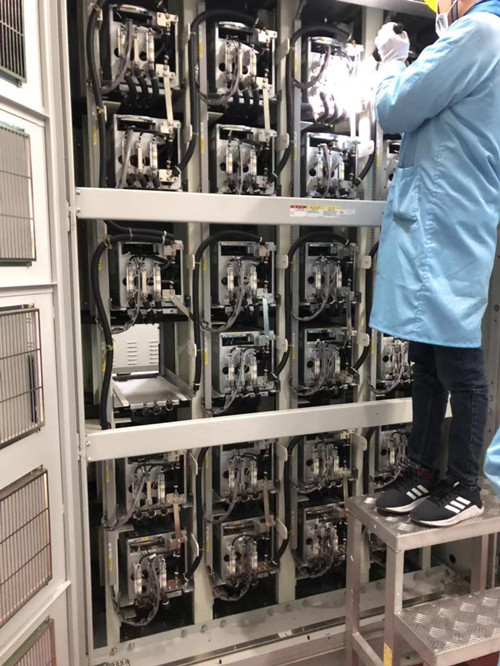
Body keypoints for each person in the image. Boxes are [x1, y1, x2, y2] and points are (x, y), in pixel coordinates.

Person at [371, 0, 500, 527]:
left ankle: (465, 485)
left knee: (459, 359)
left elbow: (395, 107)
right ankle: (422, 468)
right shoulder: (477, 36)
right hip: (442, 217)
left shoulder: (481, 34)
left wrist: (391, 61)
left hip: (450, 219)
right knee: (426, 354)